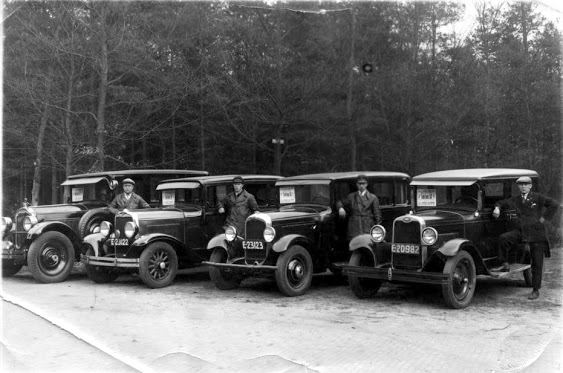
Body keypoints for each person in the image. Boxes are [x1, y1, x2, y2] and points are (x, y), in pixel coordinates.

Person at [492, 176, 558, 300]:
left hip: (536, 233)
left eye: (525, 184)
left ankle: (535, 290)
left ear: (530, 186)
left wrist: (543, 220)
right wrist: (497, 208)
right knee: (503, 238)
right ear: (518, 186)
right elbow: (501, 202)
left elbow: (554, 205)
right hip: (521, 232)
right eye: (520, 184)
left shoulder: (538, 198)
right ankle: (504, 263)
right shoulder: (516, 199)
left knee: (537, 262)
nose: (523, 186)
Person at [337, 174, 382, 240]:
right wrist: (340, 208)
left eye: (363, 183)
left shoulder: (373, 198)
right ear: (356, 184)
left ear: (366, 184)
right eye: (359, 184)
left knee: (367, 245)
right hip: (354, 227)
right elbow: (339, 202)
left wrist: (377, 231)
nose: (361, 186)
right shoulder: (351, 197)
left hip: (367, 225)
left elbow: (377, 215)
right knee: (354, 246)